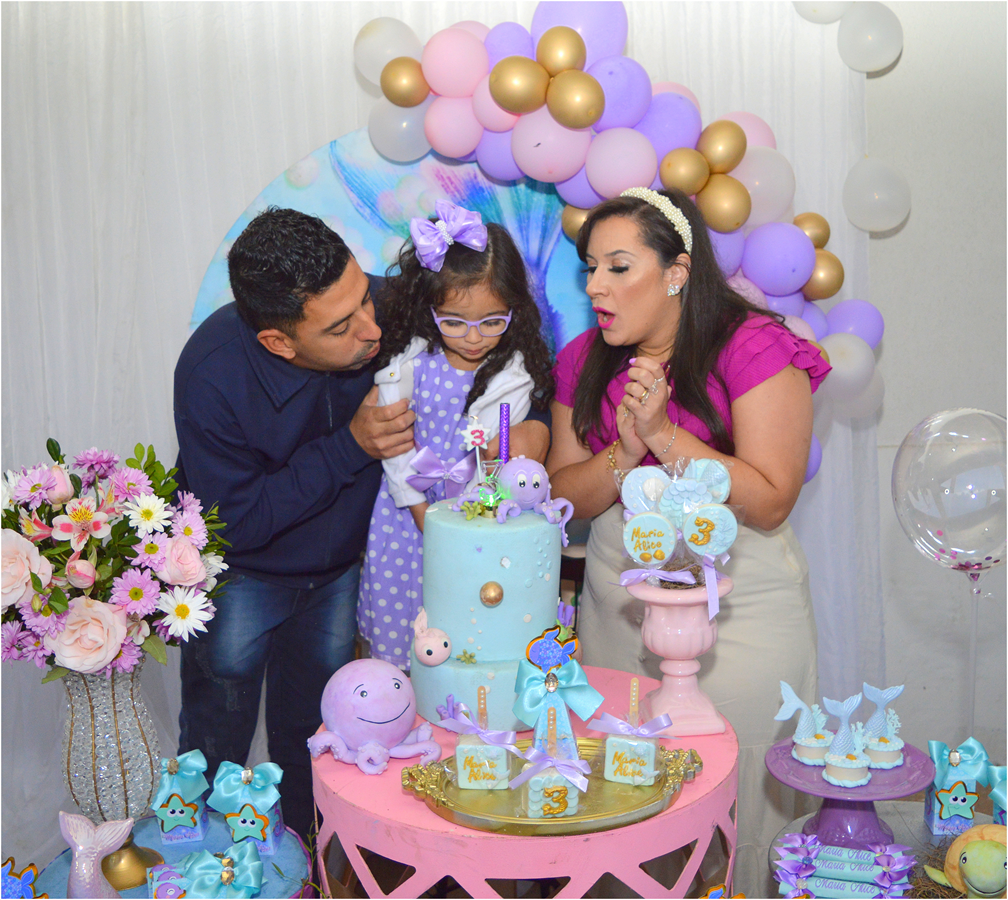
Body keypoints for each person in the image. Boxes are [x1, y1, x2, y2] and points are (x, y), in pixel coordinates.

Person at [172, 207, 550, 842]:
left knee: (325, 735)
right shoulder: (212, 375)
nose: (374, 328)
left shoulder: (385, 306)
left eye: (365, 297)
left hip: (341, 570)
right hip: (243, 573)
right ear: (279, 342)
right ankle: (209, 864)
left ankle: (314, 862)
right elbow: (237, 520)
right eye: (342, 327)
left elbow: (508, 354)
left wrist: (531, 428)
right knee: (217, 733)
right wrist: (351, 445)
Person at [545, 187, 830, 895]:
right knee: (623, 796)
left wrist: (666, 436)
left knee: (732, 801)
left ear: (676, 272)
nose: (596, 286)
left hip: (738, 611)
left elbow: (771, 500)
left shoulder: (754, 345)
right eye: (590, 269)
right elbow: (562, 498)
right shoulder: (583, 359)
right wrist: (624, 450)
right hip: (617, 607)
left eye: (618, 267)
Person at [358, 200, 555, 668]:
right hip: (405, 515)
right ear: (428, 309)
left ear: (514, 310)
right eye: (453, 321)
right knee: (400, 636)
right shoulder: (409, 362)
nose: (473, 337)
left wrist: (464, 516)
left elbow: (497, 461)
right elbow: (395, 450)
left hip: (473, 522)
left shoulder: (513, 376)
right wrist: (421, 511)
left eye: (492, 321)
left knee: (467, 632)